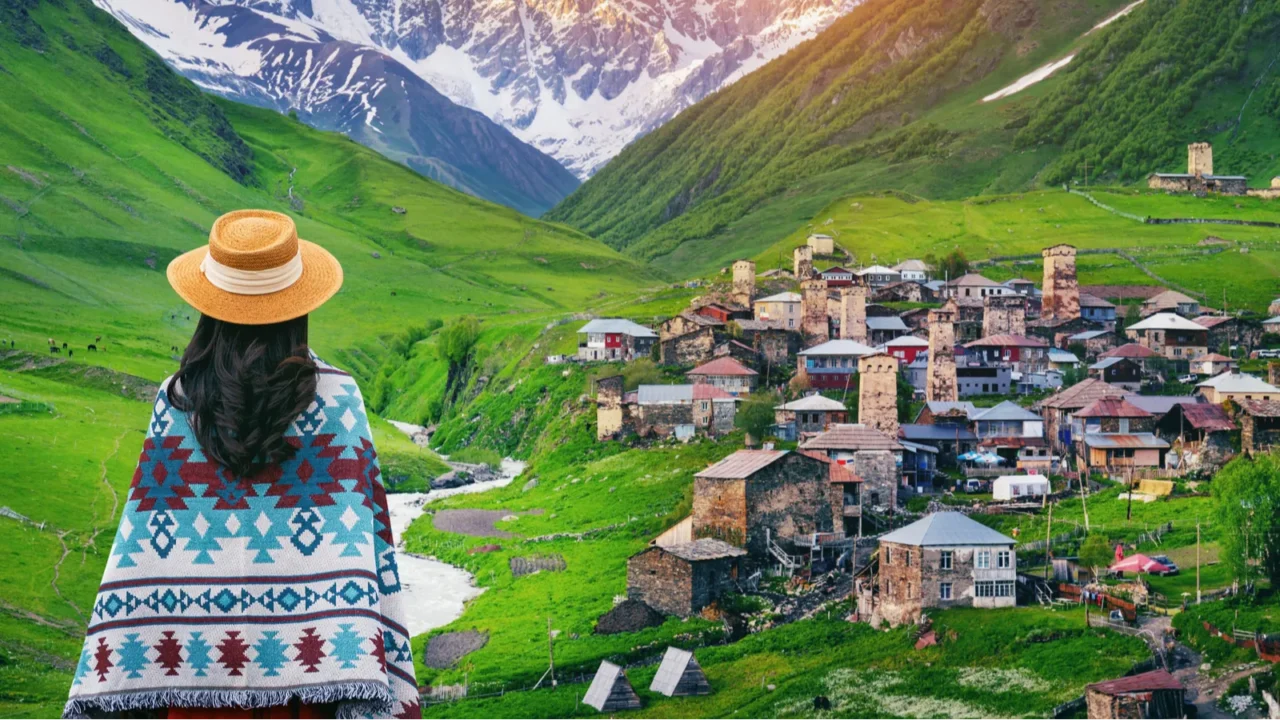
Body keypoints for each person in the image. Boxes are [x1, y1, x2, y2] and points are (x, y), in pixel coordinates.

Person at [65, 211, 419, 720]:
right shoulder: (341, 400)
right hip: (311, 688)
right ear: (300, 305)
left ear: (209, 307)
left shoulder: (177, 402)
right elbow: (371, 550)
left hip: (190, 692)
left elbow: (142, 555)